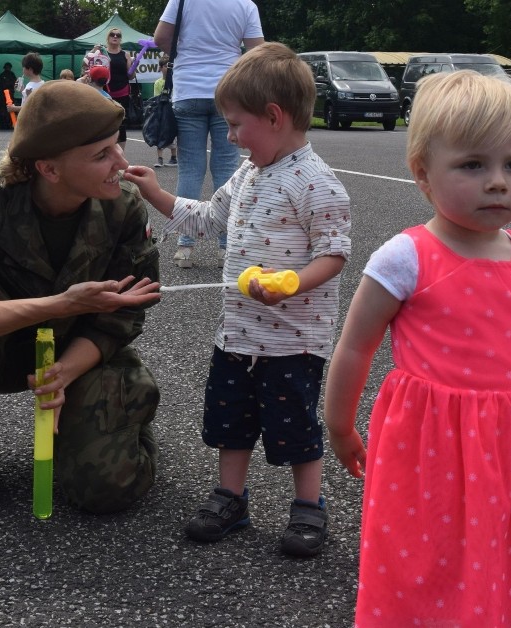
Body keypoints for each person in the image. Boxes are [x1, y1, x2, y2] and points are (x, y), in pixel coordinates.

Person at [323, 70, 511, 626]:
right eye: (473, 165)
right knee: (428, 566)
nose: (498, 182)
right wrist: (340, 425)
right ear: (422, 173)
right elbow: (355, 349)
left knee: (507, 562)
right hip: (429, 451)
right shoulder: (405, 258)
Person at [124, 42, 351, 557]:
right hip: (238, 334)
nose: (227, 136)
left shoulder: (318, 185)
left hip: (293, 341)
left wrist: (291, 282)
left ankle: (308, 506)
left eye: (234, 125)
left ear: (273, 117)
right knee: (231, 420)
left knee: (295, 426)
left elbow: (334, 255)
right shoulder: (249, 173)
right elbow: (207, 217)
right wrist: (154, 193)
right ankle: (231, 496)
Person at [0, 80, 163, 514]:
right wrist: (60, 305)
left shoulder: (123, 205)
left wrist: (63, 373)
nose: (121, 163)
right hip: (5, 346)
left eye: (118, 145)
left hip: (80, 347)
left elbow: (126, 313)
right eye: (101, 155)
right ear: (49, 169)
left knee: (106, 490)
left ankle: (124, 419)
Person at [154, 0, 264, 269]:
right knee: (227, 171)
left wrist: (184, 54)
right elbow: (258, 51)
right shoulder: (245, 4)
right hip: (228, 91)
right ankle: (227, 248)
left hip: (188, 89)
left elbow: (160, 38)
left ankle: (185, 247)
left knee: (190, 170)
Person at [104, 28, 135, 153]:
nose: (115, 36)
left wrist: (134, 66)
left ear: (120, 38)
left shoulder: (125, 55)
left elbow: (131, 76)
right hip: (105, 92)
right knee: (105, 123)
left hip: (122, 92)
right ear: (108, 37)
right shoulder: (102, 53)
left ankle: (120, 155)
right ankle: (106, 151)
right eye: (112, 34)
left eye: (118, 35)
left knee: (121, 124)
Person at [152, 56, 177, 168]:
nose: (168, 68)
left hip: (173, 109)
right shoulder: (158, 82)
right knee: (160, 132)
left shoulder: (176, 81)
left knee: (172, 133)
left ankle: (173, 157)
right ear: (161, 68)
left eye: (169, 66)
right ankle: (160, 158)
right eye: (166, 66)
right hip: (162, 110)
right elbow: (156, 97)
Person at [6, 52, 45, 116]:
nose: (23, 69)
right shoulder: (42, 84)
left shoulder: (31, 87)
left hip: (29, 122)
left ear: (30, 69)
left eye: (23, 67)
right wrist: (22, 90)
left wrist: (13, 108)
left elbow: (30, 108)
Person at [0, 62, 17, 128]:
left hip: (6, 96)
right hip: (6, 96)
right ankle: (8, 125)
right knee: (7, 110)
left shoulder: (4, 75)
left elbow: (1, 86)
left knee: (5, 110)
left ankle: (5, 125)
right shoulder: (8, 75)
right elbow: (14, 84)